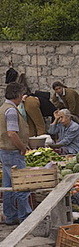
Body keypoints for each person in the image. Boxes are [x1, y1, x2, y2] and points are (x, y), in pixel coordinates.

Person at [0, 82, 32, 225]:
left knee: (8, 186)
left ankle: (11, 216)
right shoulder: (12, 111)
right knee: (21, 185)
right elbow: (12, 133)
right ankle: (26, 216)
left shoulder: (3, 108)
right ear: (18, 95)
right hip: (13, 152)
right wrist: (22, 147)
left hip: (5, 151)